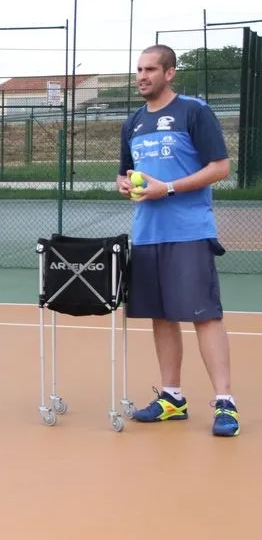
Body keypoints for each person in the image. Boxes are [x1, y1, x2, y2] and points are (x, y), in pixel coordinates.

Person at [116, 44, 239, 437]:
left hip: (189, 231)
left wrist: (167, 188)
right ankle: (172, 397)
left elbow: (220, 168)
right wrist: (125, 185)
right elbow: (126, 173)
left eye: (150, 69)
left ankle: (225, 403)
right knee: (162, 316)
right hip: (147, 234)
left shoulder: (193, 111)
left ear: (169, 73)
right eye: (139, 69)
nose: (142, 76)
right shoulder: (133, 122)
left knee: (205, 315)